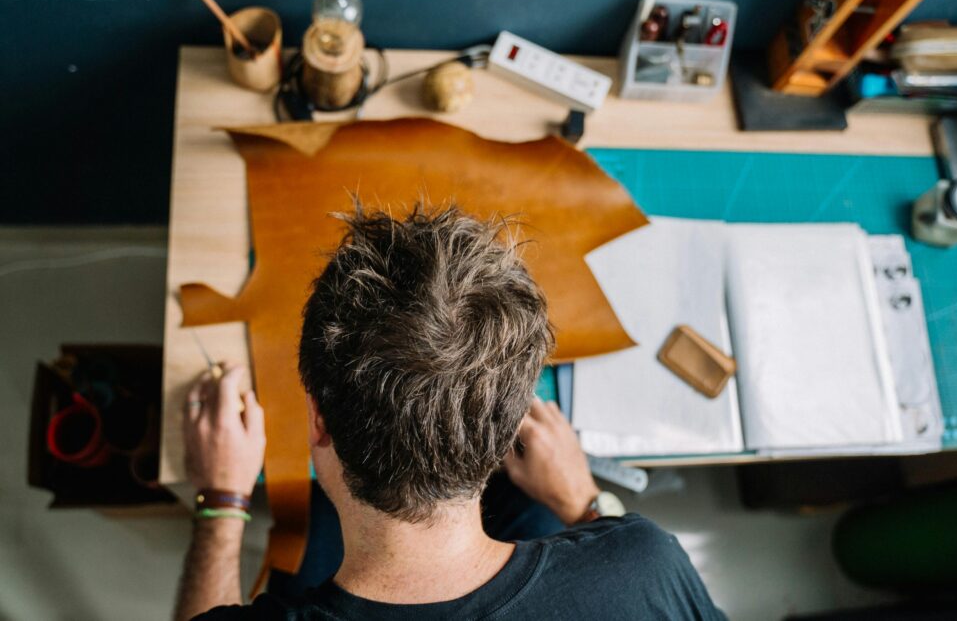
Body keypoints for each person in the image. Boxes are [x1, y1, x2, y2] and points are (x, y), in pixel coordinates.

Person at [174, 205, 724, 620]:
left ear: (317, 418)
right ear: (511, 426)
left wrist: (220, 503)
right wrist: (583, 502)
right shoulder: (643, 568)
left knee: (313, 527)